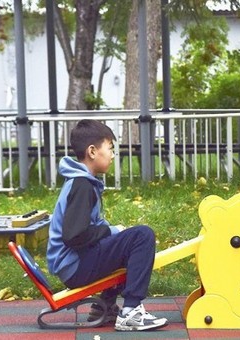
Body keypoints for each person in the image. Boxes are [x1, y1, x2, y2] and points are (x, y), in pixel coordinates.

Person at [46, 119, 168, 331]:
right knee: (142, 236)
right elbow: (74, 236)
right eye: (110, 148)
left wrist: (114, 234)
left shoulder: (82, 181)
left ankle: (103, 306)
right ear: (92, 151)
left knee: (126, 241)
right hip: (75, 267)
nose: (113, 155)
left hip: (73, 264)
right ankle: (131, 311)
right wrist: (111, 231)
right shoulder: (82, 185)